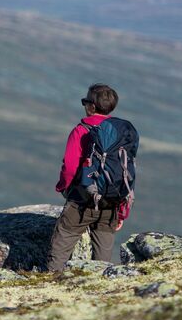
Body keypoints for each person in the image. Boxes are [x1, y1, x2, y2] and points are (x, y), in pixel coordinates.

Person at [46, 84, 134, 272]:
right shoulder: (121, 133)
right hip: (111, 201)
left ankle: (52, 284)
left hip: (82, 199)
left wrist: (64, 187)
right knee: (103, 253)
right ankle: (100, 286)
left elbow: (70, 167)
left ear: (92, 107)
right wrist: (122, 211)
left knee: (61, 245)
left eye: (85, 101)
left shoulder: (81, 130)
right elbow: (127, 171)